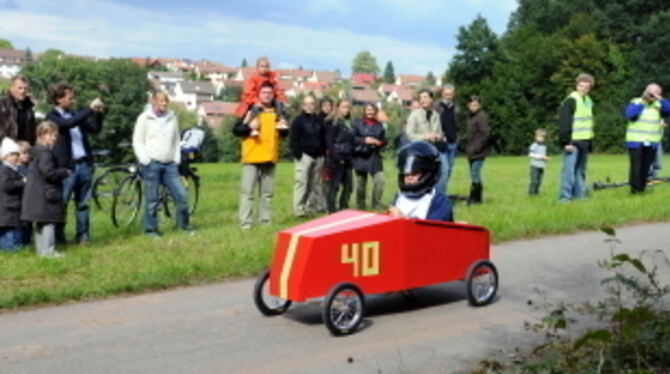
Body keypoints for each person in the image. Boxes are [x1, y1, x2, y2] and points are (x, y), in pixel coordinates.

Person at [45, 83, 104, 244]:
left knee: (83, 202)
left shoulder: (76, 114)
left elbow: (94, 129)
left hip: (84, 164)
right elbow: (67, 124)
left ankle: (83, 236)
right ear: (59, 99)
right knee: (61, 203)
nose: (73, 101)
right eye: (70, 98)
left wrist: (98, 114)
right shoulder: (51, 117)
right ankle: (58, 238)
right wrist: (89, 109)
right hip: (66, 167)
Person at [132, 91, 193, 237]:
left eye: (165, 101)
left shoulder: (172, 118)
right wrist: (145, 159)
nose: (163, 104)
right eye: (160, 101)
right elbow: (138, 141)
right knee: (152, 200)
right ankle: (150, 230)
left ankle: (183, 226)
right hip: (151, 163)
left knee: (181, 196)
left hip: (170, 164)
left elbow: (176, 140)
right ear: (153, 101)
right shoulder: (144, 118)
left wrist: (176, 159)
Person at [232, 82, 288, 229]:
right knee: (247, 193)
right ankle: (246, 224)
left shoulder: (279, 110)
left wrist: (283, 126)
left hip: (270, 157)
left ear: (273, 94)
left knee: (267, 194)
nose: (267, 95)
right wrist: (248, 127)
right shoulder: (250, 109)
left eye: (270, 92)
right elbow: (236, 130)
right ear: (258, 94)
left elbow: (284, 134)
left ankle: (265, 223)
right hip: (252, 157)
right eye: (264, 92)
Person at [21, 121, 71, 258]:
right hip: (45, 193)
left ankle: (41, 251)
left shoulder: (35, 151)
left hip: (35, 192)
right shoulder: (45, 153)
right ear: (42, 135)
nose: (55, 138)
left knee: (40, 222)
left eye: (56, 135)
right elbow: (48, 173)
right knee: (48, 222)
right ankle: (49, 251)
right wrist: (64, 172)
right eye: (52, 135)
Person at [389, 141, 453, 221]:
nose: (409, 178)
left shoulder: (439, 200)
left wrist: (405, 220)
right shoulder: (399, 196)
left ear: (428, 174)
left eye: (414, 173)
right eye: (406, 174)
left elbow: (434, 230)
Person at [623, 83, 670, 193]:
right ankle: (635, 190)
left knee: (646, 168)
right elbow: (629, 114)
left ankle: (642, 189)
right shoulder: (636, 101)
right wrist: (643, 102)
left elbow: (669, 109)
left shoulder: (659, 105)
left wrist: (660, 99)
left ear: (659, 94)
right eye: (650, 92)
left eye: (655, 92)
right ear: (645, 91)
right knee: (636, 168)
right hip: (636, 141)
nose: (652, 95)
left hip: (652, 141)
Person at [558, 73, 595, 202]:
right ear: (577, 85)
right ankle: (564, 198)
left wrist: (589, 142)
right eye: (581, 86)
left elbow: (588, 123)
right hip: (572, 142)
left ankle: (580, 196)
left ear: (590, 88)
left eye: (586, 87)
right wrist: (565, 142)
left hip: (584, 141)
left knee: (580, 171)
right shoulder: (571, 100)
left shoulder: (588, 101)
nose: (583, 89)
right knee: (569, 172)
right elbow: (564, 122)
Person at [289, 94, 326, 217]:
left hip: (318, 157)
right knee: (301, 183)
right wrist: (299, 155)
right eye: (307, 104)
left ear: (315, 105)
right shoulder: (298, 121)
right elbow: (293, 140)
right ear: (303, 106)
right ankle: (298, 210)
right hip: (304, 156)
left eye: (312, 104)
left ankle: (311, 208)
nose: (309, 106)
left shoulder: (319, 120)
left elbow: (323, 137)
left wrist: (322, 153)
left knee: (315, 184)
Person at [234, 57, 288, 134]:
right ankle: (251, 125)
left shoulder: (271, 78)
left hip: (271, 144)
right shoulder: (254, 78)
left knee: (279, 104)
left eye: (266, 66)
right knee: (254, 109)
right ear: (257, 67)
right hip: (252, 99)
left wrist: (282, 99)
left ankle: (279, 120)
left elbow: (276, 90)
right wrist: (257, 101)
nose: (264, 69)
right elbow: (249, 92)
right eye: (262, 66)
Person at [353, 103, 386, 210]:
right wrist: (364, 140)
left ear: (375, 111)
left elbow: (384, 140)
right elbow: (352, 138)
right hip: (361, 155)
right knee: (361, 184)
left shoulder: (380, 125)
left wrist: (379, 143)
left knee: (380, 180)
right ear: (364, 111)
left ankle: (376, 203)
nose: (370, 112)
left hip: (374, 156)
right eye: (368, 110)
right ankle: (360, 205)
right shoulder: (358, 123)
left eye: (372, 110)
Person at [325, 99, 355, 213]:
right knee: (335, 186)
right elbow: (330, 142)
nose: (345, 109)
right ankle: (331, 210)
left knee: (349, 187)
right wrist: (336, 158)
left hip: (348, 158)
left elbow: (351, 141)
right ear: (337, 108)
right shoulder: (333, 122)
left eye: (347, 107)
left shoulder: (349, 123)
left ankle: (343, 208)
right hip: (336, 158)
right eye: (343, 107)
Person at [405, 90, 446, 169]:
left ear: (431, 99)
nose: (422, 100)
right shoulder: (414, 115)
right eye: (420, 98)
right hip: (419, 153)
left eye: (425, 97)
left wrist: (439, 137)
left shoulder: (436, 115)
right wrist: (425, 137)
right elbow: (410, 135)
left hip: (433, 153)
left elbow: (439, 132)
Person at [0, 137, 26, 252]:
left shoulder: (14, 169)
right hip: (7, 206)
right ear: (5, 156)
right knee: (8, 229)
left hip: (12, 205)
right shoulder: (4, 170)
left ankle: (12, 246)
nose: (16, 157)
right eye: (13, 154)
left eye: (17, 154)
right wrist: (22, 182)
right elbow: (6, 185)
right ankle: (9, 248)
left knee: (13, 227)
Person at [465, 96, 490, 205]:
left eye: (475, 105)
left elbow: (485, 134)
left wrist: (477, 148)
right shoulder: (472, 116)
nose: (473, 107)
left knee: (475, 174)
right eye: (471, 105)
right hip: (471, 151)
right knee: (473, 174)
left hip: (478, 152)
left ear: (479, 105)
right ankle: (474, 198)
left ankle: (476, 198)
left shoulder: (481, 116)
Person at [435, 84, 459, 193]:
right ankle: (439, 196)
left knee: (449, 170)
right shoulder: (437, 106)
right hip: (441, 143)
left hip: (453, 143)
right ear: (442, 94)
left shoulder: (456, 107)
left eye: (450, 94)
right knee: (443, 170)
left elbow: (459, 123)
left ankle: (442, 193)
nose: (448, 96)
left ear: (453, 95)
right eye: (446, 94)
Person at [0, 75, 36, 144]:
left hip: (25, 147)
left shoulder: (28, 106)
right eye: (20, 88)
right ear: (11, 88)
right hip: (7, 147)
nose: (23, 91)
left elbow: (32, 130)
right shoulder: (2, 104)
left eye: (25, 88)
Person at [528, 129, 550, 195]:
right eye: (540, 136)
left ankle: (536, 192)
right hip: (534, 166)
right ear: (536, 137)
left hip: (541, 166)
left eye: (543, 137)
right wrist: (541, 157)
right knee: (534, 181)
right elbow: (530, 154)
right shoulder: (534, 145)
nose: (542, 138)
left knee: (539, 181)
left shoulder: (544, 146)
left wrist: (546, 159)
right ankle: (531, 193)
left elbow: (543, 156)